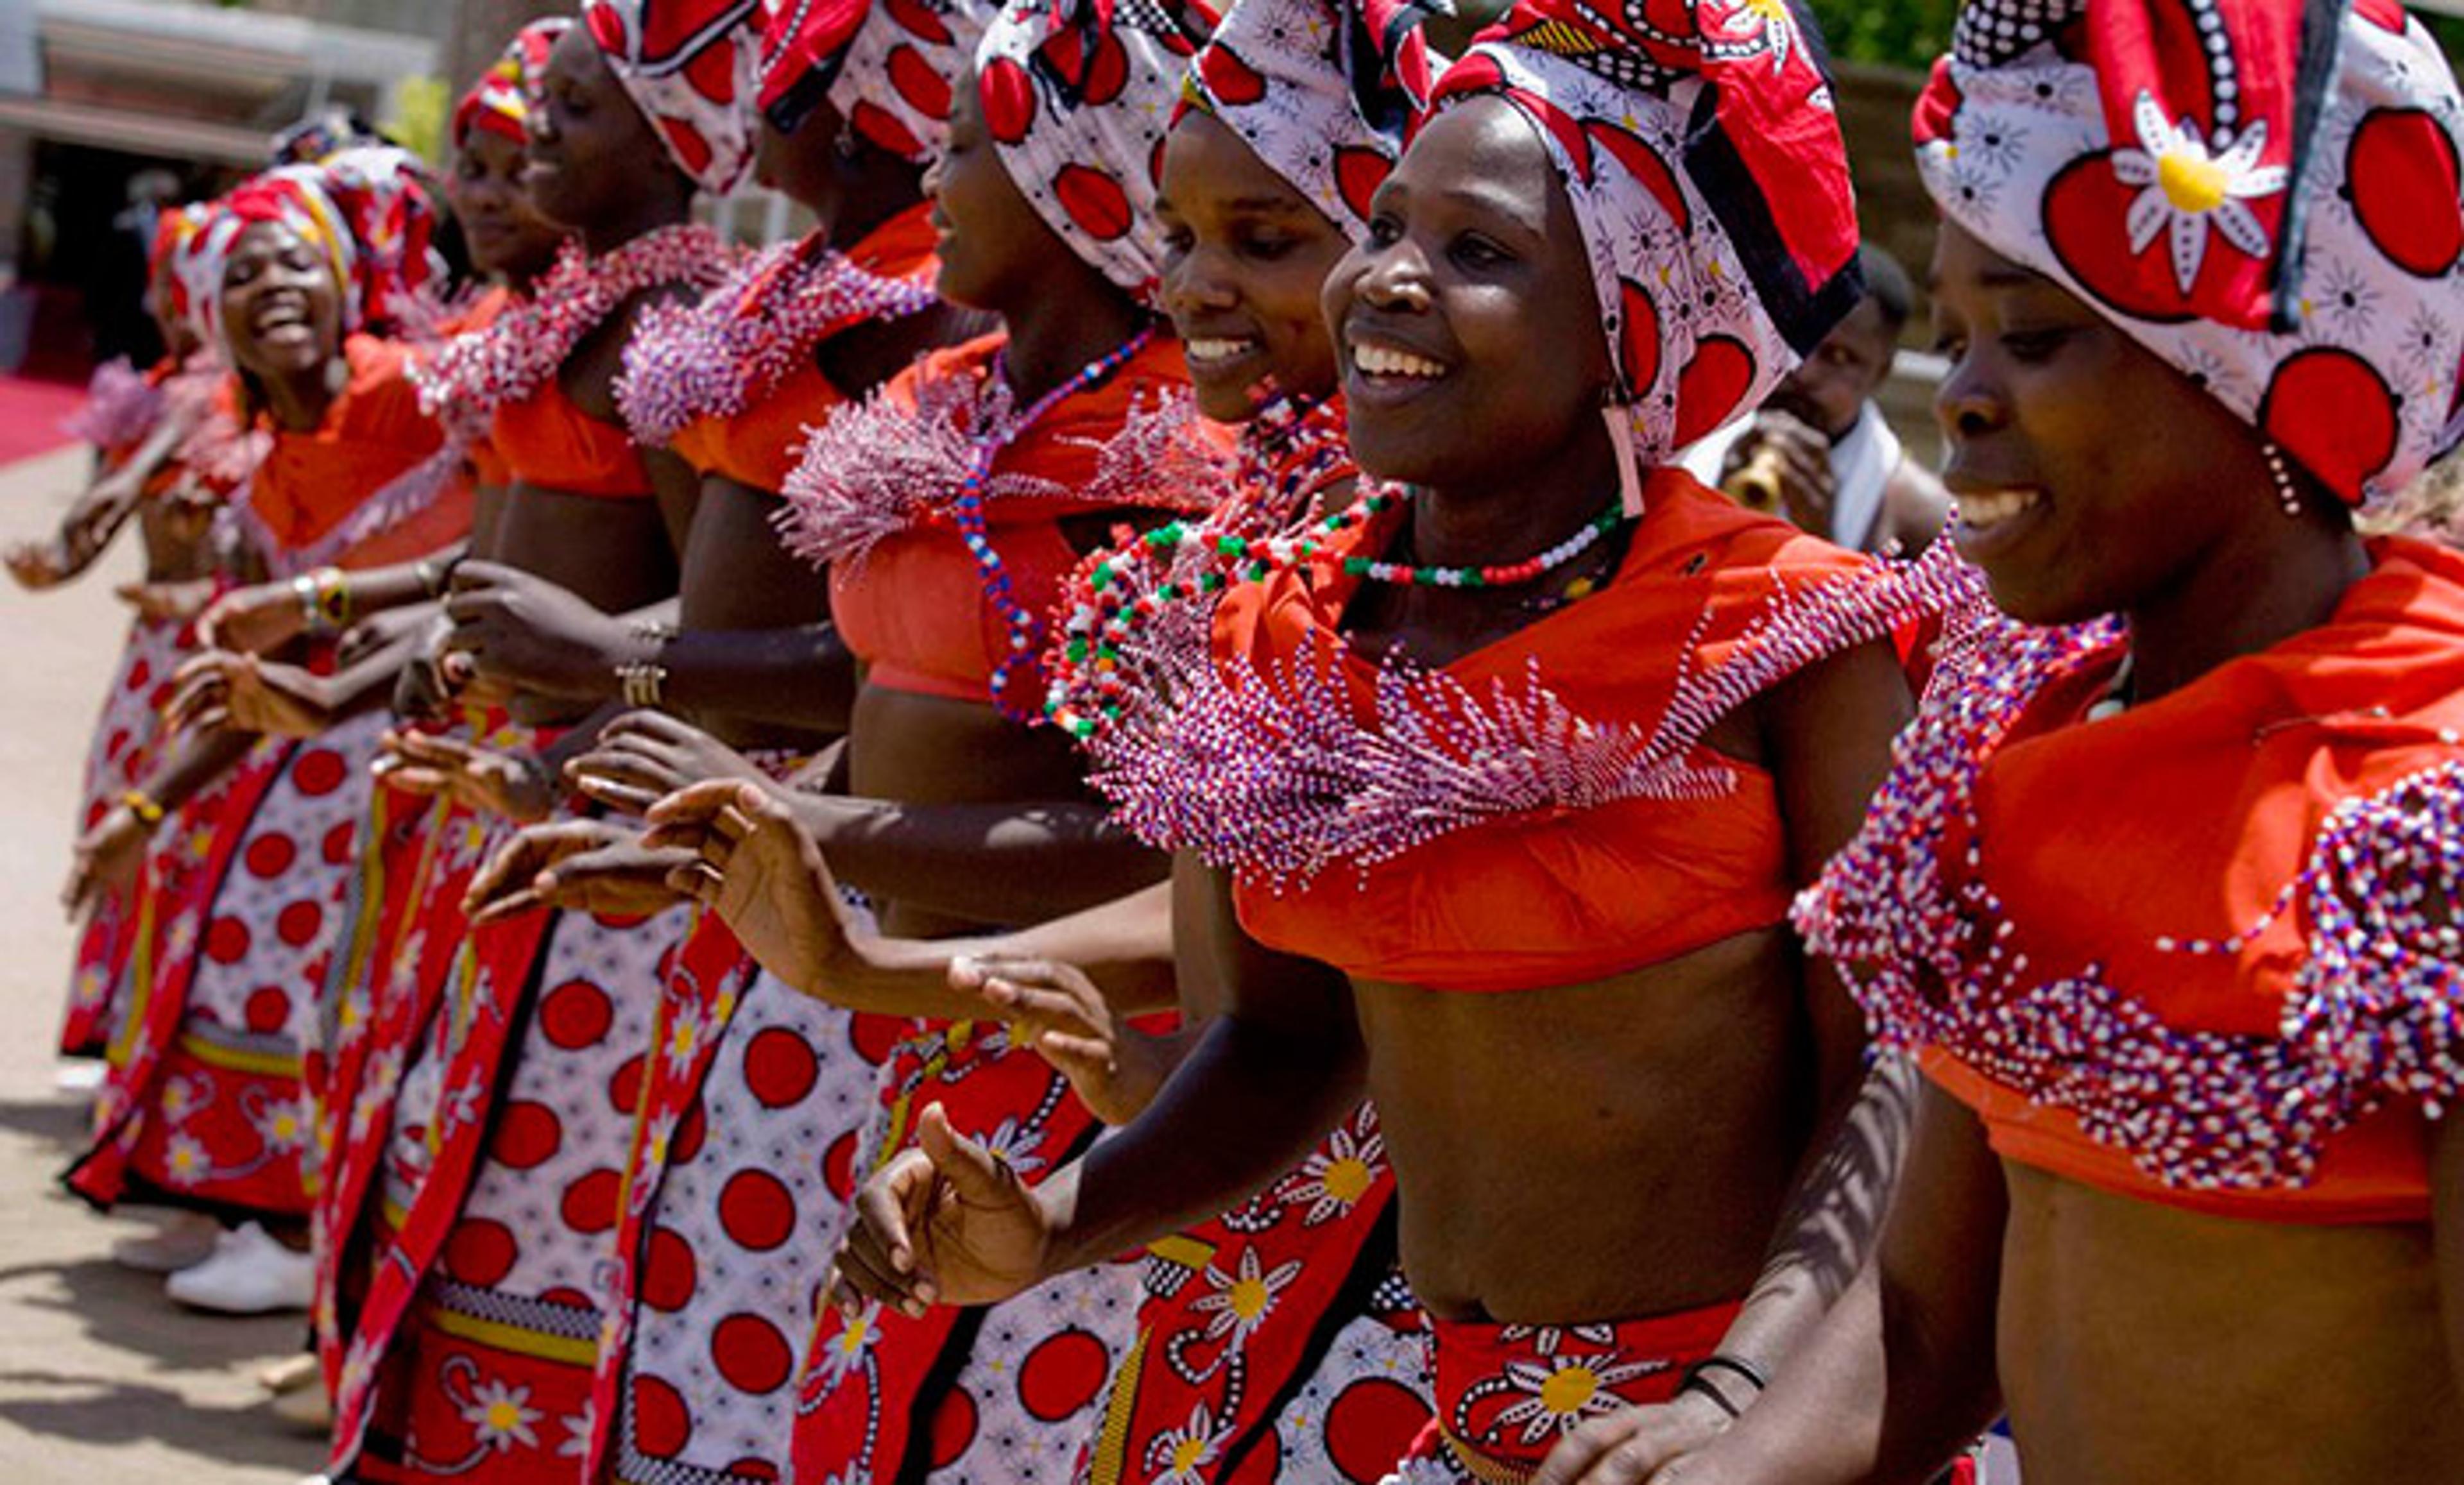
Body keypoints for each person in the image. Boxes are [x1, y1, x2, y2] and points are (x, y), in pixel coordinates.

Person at [757, 6, 1978, 1485]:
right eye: (1386, 222)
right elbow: (1281, 1042)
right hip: (1424, 1395)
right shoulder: (1286, 621)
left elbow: (1891, 1084)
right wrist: (1056, 1217)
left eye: (1478, 252)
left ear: (1631, 322)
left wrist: (1735, 1405)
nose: (1385, 277)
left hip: (1716, 1423)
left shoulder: (1785, 634)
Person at [1612, 2, 2464, 1483]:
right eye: (1955, 333)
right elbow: (1930, 1322)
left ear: (2257, 372)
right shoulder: (2026, 751)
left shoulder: (2415, 823)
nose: (1961, 397)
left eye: (2036, 334)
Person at [316, 7, 755, 1482]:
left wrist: (567, 751)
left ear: (678, 135)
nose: (531, 153)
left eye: (571, 114)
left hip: (592, 826)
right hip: (500, 783)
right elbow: (504, 569)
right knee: (447, 1123)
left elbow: (708, 614)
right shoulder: (579, 308)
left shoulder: (671, 331)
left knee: (541, 1162)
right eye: (515, 131)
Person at [62, 151, 458, 1320]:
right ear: (207, 315)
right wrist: (144, 813)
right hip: (289, 757)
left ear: (347, 282)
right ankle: (224, 1186)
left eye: (296, 264)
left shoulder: (405, 395)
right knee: (224, 942)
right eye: (241, 277)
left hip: (393, 741)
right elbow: (265, 658)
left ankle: (288, 1224)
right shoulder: (265, 445)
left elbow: (455, 573)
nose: (272, 289)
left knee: (299, 973)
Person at [1691, 245, 1947, 556]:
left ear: (1880, 373)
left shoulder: (1920, 519)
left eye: (1839, 358)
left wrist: (1820, 545)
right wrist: (1707, 511)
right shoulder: (1686, 444)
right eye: (1793, 337)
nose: (1803, 371)